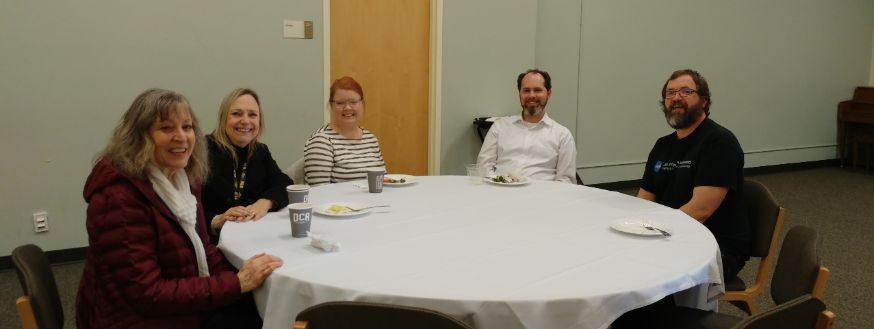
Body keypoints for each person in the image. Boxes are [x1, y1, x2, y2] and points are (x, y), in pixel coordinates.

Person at [77, 88, 283, 328]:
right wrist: (237, 282)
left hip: (174, 301)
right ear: (138, 136)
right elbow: (148, 295)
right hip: (134, 318)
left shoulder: (182, 180)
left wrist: (249, 271)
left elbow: (203, 250)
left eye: (187, 127)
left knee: (260, 307)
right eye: (166, 128)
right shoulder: (119, 198)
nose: (182, 137)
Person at [637, 69, 750, 281]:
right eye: (670, 93)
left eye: (686, 91)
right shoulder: (663, 145)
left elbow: (701, 211)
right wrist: (639, 229)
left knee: (642, 273)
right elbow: (645, 198)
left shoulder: (719, 142)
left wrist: (654, 233)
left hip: (715, 246)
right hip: (672, 235)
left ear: (704, 101)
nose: (676, 98)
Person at [202, 88, 293, 240]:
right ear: (224, 118)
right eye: (236, 114)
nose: (245, 121)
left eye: (252, 115)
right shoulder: (202, 150)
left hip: (253, 236)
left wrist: (265, 203)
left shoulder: (259, 150)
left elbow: (283, 183)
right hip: (213, 243)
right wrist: (216, 220)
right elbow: (185, 208)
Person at [476, 69, 577, 183]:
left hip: (543, 197)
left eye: (538, 90)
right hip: (502, 193)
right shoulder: (499, 127)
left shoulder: (562, 135)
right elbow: (483, 168)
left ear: (548, 93)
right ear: (520, 93)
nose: (532, 95)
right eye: (526, 90)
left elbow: (566, 181)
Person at [304, 76, 386, 185]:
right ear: (331, 106)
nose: (347, 108)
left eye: (353, 102)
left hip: (376, 201)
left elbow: (382, 182)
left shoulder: (370, 139)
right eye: (340, 103)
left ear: (362, 104)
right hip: (338, 202)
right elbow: (319, 192)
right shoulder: (321, 142)